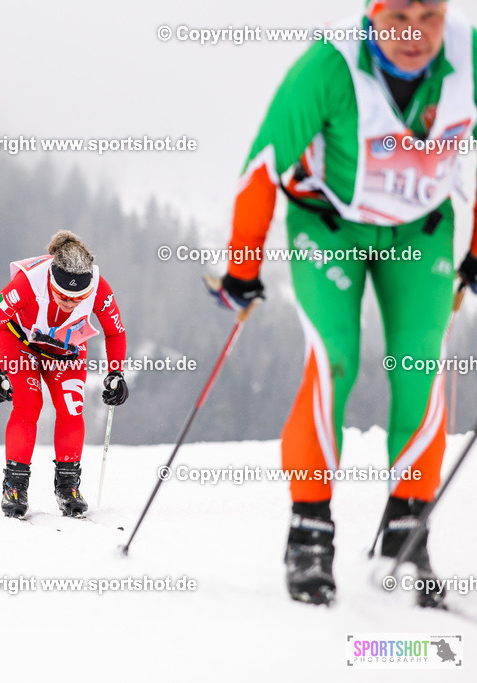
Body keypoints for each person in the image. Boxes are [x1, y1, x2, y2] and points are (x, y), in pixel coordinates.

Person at [207, 0, 477, 607]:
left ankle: (407, 531)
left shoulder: (471, 58)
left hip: (418, 228)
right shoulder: (328, 66)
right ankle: (310, 531)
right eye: (398, 14)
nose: (414, 31)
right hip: (329, 224)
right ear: (371, 14)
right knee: (334, 362)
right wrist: (242, 266)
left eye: (428, 14)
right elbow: (263, 163)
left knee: (419, 366)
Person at [0, 231, 128, 518]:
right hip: (20, 344)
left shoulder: (100, 287)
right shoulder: (28, 283)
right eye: (62, 296)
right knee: (28, 405)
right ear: (50, 281)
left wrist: (116, 373)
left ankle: (68, 486)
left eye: (78, 298)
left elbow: (115, 332)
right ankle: (14, 487)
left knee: (72, 408)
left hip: (67, 350)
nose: (70, 304)